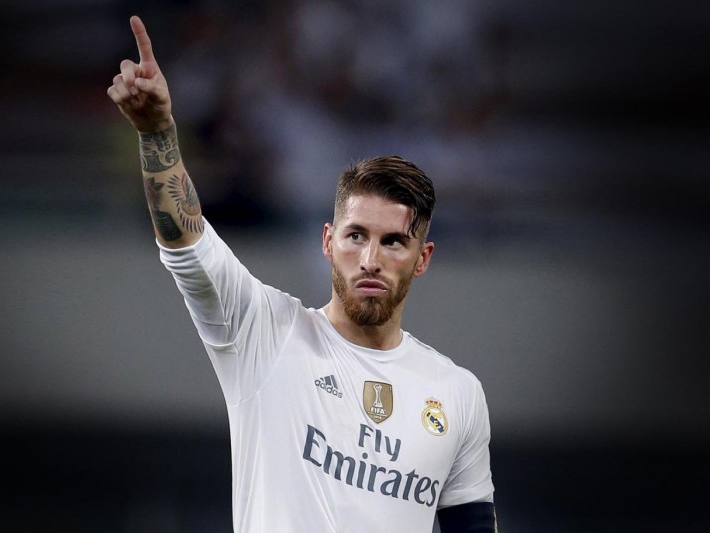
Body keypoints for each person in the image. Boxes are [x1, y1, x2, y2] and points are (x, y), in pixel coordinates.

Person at [108, 15, 497, 533]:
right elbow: (186, 242)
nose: (371, 258)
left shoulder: (456, 393)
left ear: (422, 258)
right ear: (328, 241)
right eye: (356, 236)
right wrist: (157, 132)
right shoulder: (266, 333)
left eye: (393, 241)